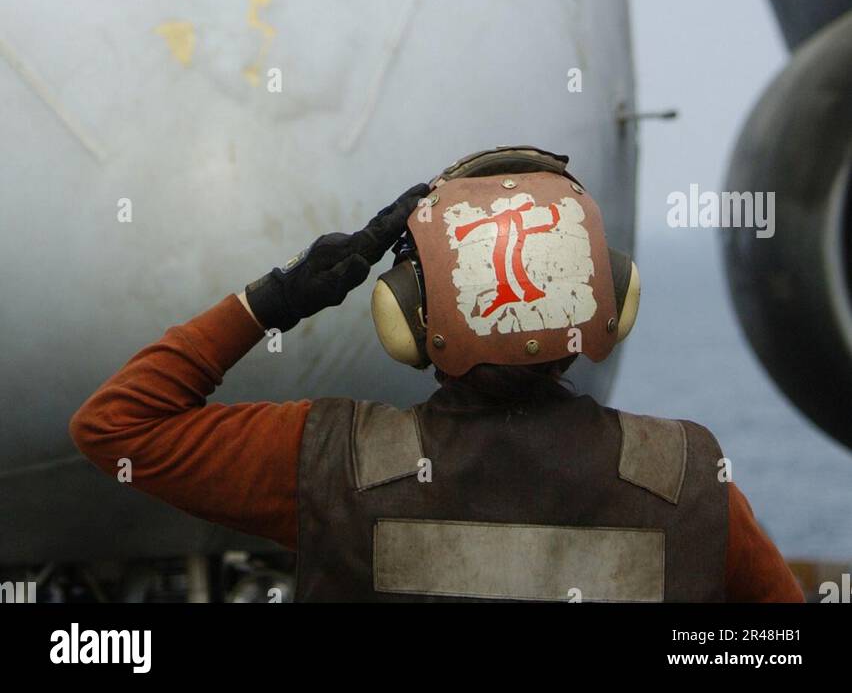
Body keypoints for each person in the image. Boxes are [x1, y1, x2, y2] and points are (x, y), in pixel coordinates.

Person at [70, 146, 803, 603]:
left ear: (410, 317)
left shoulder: (329, 465)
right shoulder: (687, 479)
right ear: (609, 297)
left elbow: (117, 426)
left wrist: (278, 298)